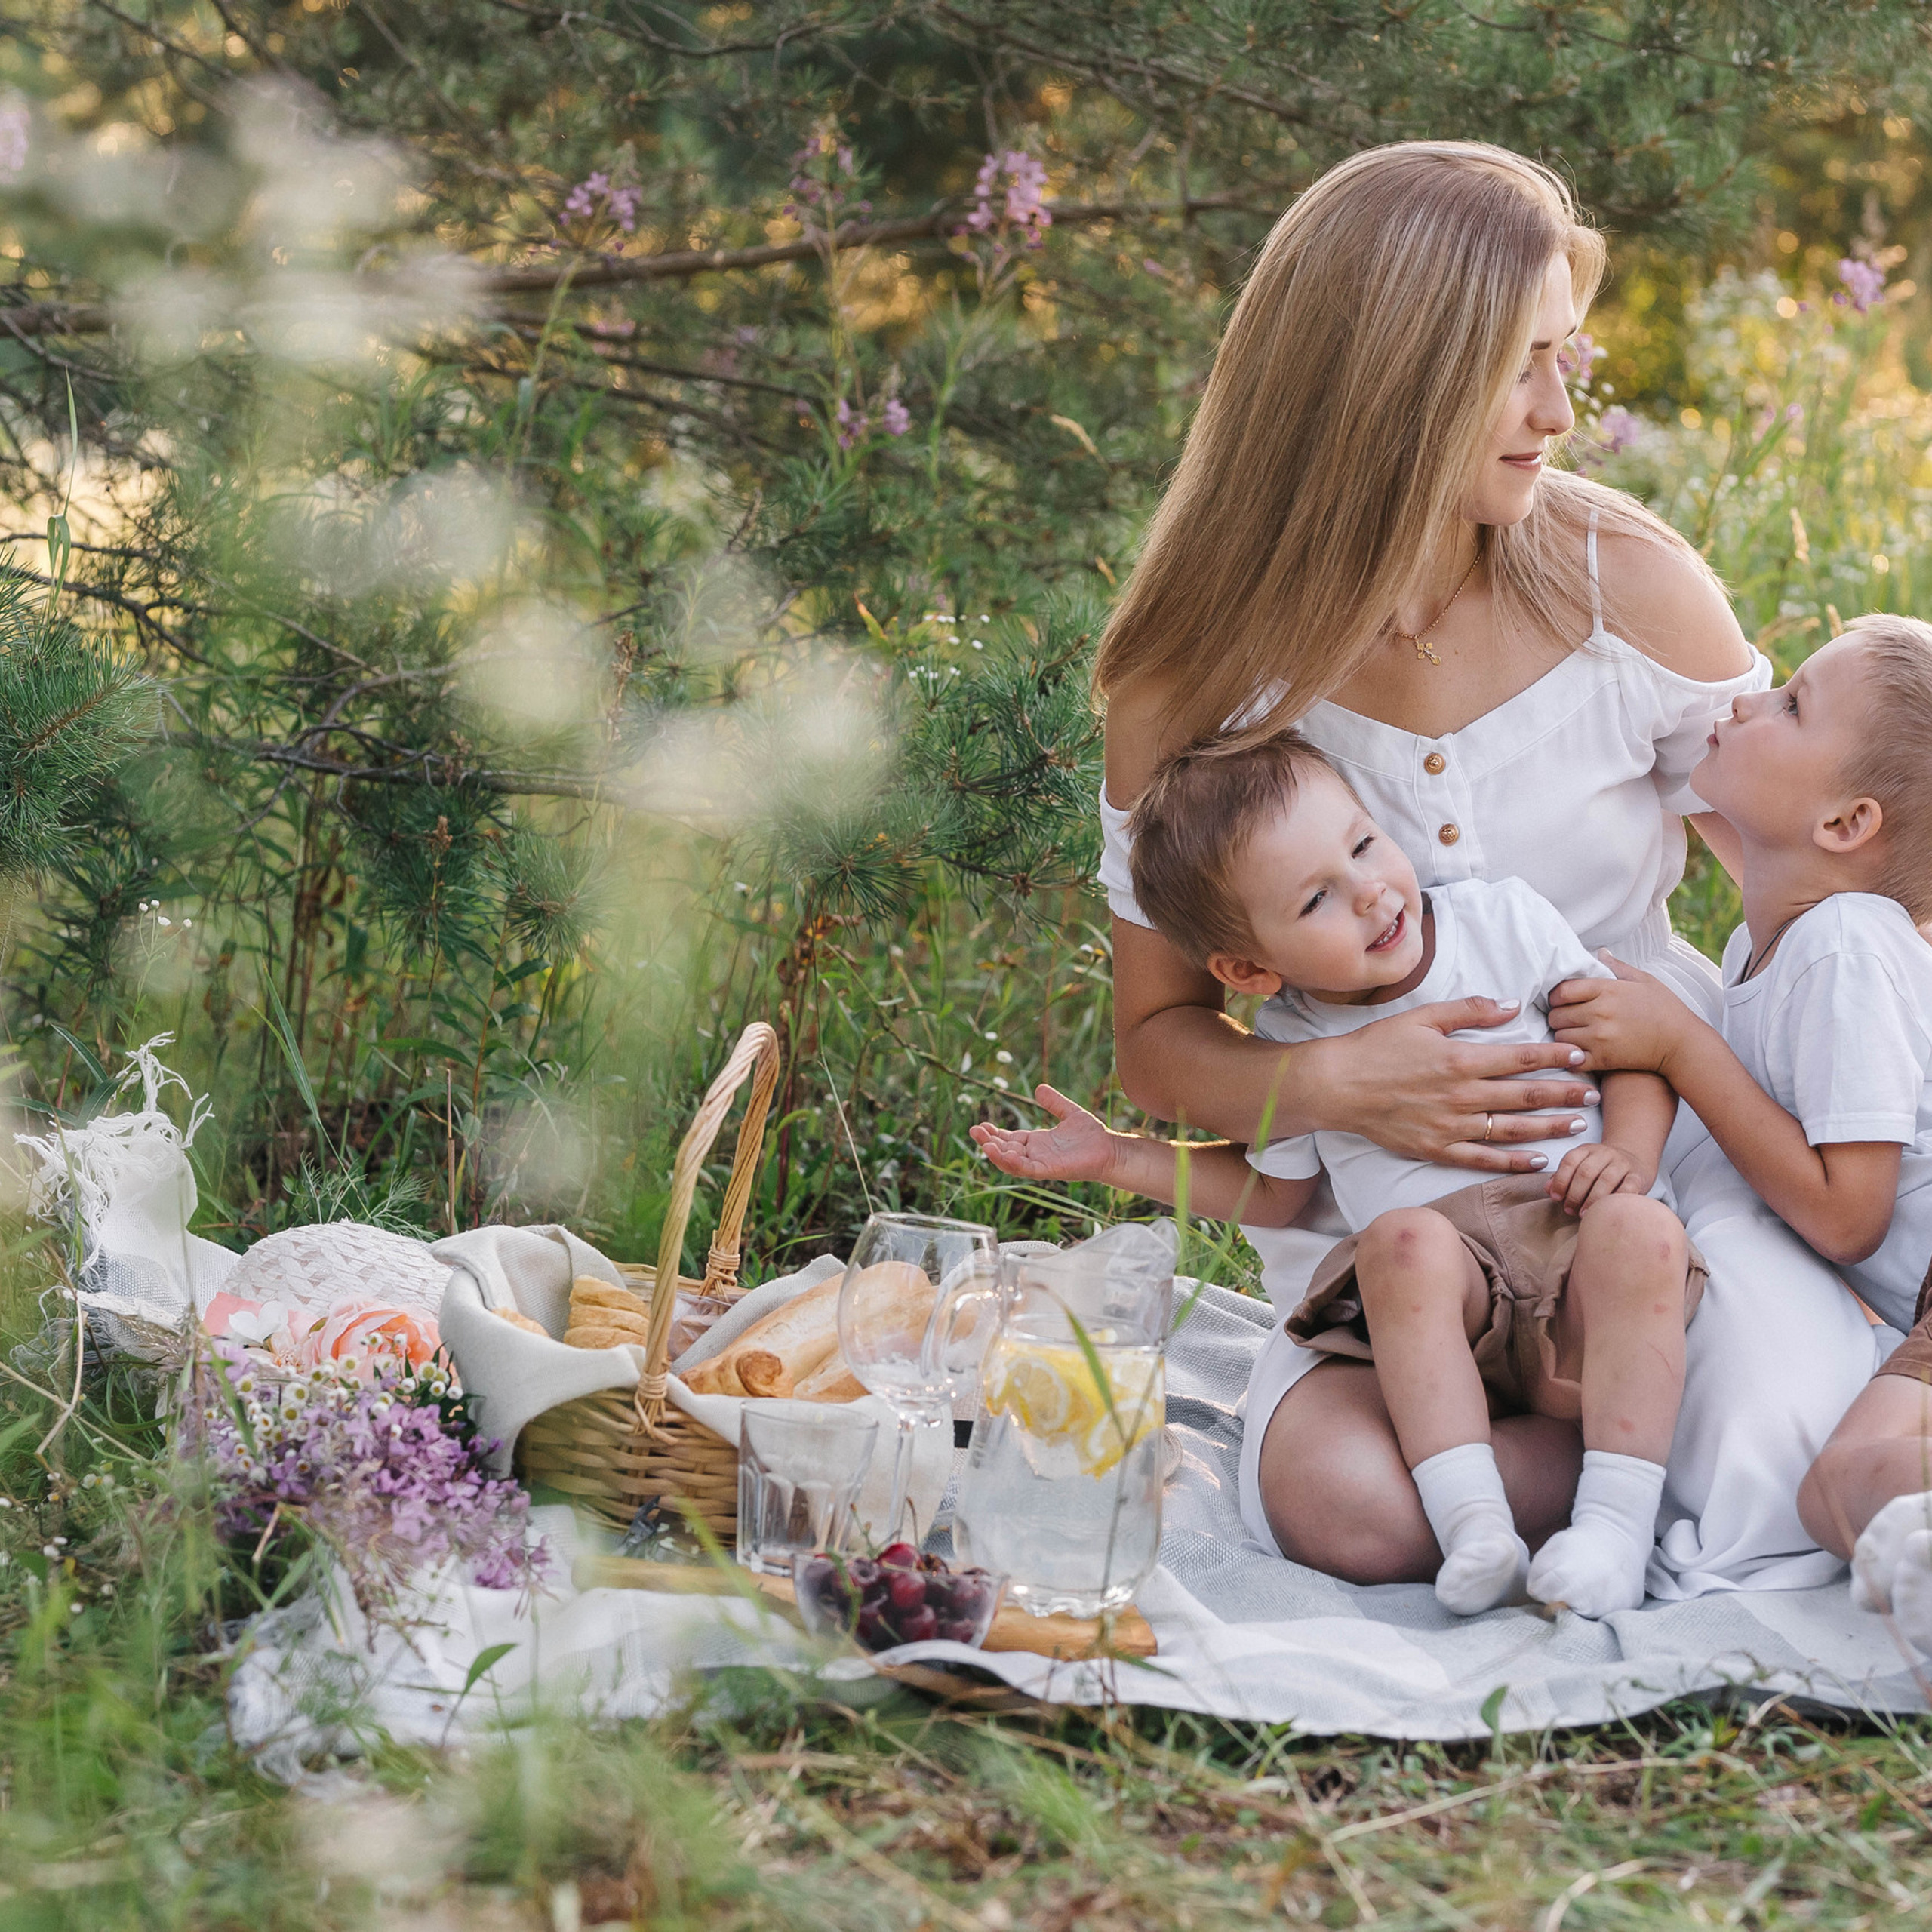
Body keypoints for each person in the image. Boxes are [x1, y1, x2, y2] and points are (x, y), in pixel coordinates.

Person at [1088, 137, 1881, 1588]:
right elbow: (1157, 1046)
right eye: (1524, 367)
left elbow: (1828, 892)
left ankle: (1640, 1441)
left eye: (1563, 360)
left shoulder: (1621, 583)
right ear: (1396, 383)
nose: (1562, 412)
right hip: (1390, 1222)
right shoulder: (1188, 684)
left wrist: (1766, 1119)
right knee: (1354, 1515)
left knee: (1778, 1440)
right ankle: (1600, 1468)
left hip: (1648, 1170)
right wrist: (1332, 1083)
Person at [974, 733, 1704, 1617]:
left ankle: (1615, 1535)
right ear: (1249, 969)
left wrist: (1626, 1151)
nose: (1370, 892)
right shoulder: (1290, 1039)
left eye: (1362, 844)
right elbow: (1275, 1194)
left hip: (1572, 1248)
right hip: (1435, 1310)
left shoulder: (1503, 921)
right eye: (1318, 897)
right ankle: (1475, 1522)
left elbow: (1632, 1052)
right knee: (1400, 1241)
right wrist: (1119, 1156)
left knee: (1642, 1228)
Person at [1544, 617, 1932, 1632]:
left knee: (1850, 1481)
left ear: (1848, 825)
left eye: (1791, 702)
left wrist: (1680, 1047)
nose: (1748, 700)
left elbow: (1851, 1218)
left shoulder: (1845, 946)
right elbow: (1727, 817)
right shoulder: (1792, 921)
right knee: (1846, 1485)